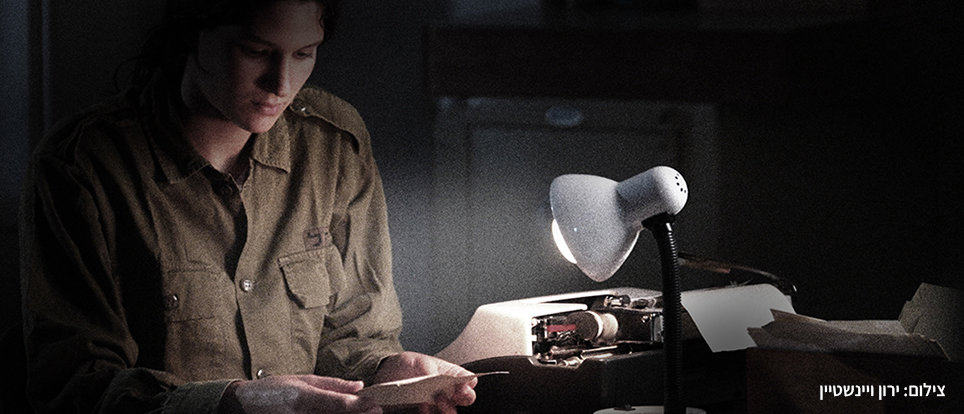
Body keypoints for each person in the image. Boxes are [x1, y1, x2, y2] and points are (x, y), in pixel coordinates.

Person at [19, 0, 476, 412]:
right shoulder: (83, 167)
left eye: (304, 53)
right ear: (192, 34)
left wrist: (385, 371)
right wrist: (235, 402)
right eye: (255, 51)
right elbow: (75, 386)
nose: (281, 84)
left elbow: (356, 334)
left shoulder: (333, 145)